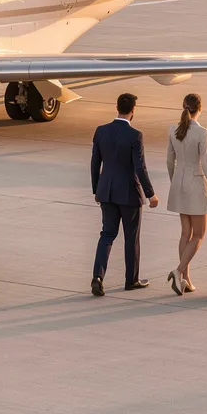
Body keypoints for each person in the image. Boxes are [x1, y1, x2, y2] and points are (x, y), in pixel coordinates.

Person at [89, 92, 158, 297]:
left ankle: (97, 277)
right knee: (131, 237)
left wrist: (97, 190)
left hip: (107, 192)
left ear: (117, 107)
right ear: (133, 110)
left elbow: (95, 163)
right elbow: (139, 167)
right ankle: (131, 280)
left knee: (107, 235)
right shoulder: (135, 135)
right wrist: (150, 194)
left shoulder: (101, 131)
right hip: (128, 194)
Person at [165, 93, 207, 295]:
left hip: (179, 184)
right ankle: (178, 271)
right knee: (199, 234)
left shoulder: (173, 129)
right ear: (199, 109)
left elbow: (169, 161)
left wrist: (175, 181)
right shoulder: (202, 132)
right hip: (196, 186)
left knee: (186, 233)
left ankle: (186, 280)